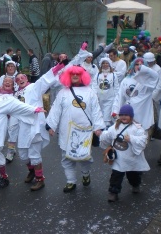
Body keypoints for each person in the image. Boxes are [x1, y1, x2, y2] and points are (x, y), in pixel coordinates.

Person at [0, 77, 46, 191]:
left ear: (13, 86)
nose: (7, 83)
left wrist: (35, 109)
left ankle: (4, 178)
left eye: (10, 82)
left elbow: (21, 106)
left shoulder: (11, 99)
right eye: (5, 82)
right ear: (1, 84)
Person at [46, 65, 105, 193]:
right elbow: (56, 110)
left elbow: (96, 111)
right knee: (66, 157)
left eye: (77, 74)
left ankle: (85, 173)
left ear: (82, 76)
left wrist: (98, 126)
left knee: (85, 156)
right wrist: (51, 125)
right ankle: (70, 181)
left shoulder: (90, 92)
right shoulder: (63, 92)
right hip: (67, 131)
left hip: (85, 131)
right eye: (72, 74)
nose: (75, 76)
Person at [13, 64, 63, 191]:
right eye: (18, 79)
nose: (21, 79)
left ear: (26, 78)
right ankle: (32, 171)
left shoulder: (33, 88)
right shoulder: (15, 95)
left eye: (22, 77)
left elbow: (44, 79)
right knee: (24, 155)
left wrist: (57, 67)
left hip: (34, 127)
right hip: (22, 128)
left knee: (34, 154)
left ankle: (40, 179)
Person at [97, 104, 150, 202]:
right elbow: (108, 135)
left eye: (126, 114)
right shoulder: (115, 127)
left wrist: (131, 139)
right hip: (119, 158)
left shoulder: (137, 128)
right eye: (121, 114)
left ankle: (135, 184)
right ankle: (113, 192)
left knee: (133, 174)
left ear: (131, 116)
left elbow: (143, 140)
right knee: (116, 175)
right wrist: (102, 135)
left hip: (131, 158)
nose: (123, 117)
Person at [112, 58, 159, 136]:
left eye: (142, 64)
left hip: (143, 112)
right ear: (133, 66)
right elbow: (120, 96)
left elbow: (156, 76)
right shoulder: (126, 80)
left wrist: (144, 70)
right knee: (127, 136)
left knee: (141, 138)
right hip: (128, 112)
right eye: (137, 64)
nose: (139, 66)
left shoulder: (149, 81)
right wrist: (115, 110)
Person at [92, 57, 119, 129]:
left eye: (107, 63)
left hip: (110, 98)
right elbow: (94, 85)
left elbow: (116, 87)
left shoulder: (113, 75)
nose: (105, 65)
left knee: (107, 115)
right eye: (103, 63)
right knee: (100, 114)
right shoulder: (98, 74)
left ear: (109, 64)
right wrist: (95, 95)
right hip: (99, 99)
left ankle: (105, 129)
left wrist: (117, 98)